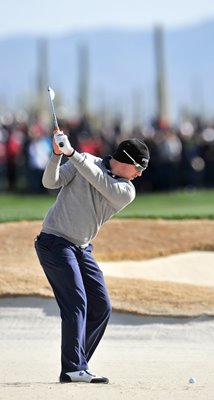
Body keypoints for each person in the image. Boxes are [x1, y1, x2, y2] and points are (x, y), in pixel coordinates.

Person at [34, 131, 150, 384]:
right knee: (76, 302)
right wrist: (56, 155)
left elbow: (99, 179)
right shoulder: (84, 161)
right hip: (54, 242)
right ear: (125, 159)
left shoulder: (125, 190)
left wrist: (72, 154)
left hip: (82, 247)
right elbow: (50, 182)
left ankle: (77, 364)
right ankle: (73, 368)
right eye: (139, 167)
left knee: (101, 306)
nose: (140, 174)